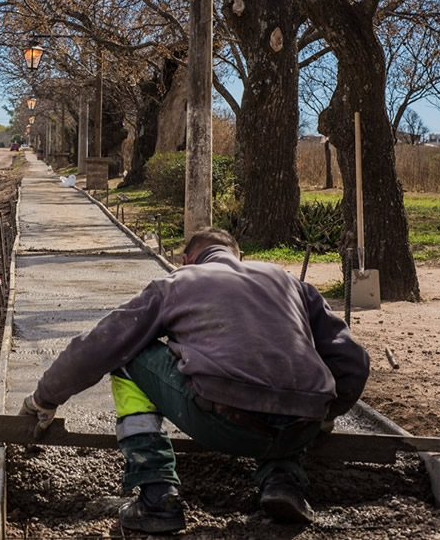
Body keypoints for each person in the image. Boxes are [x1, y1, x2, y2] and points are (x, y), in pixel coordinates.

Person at [19, 227, 370, 533]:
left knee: (128, 357)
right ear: (239, 256)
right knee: (274, 384)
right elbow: (352, 360)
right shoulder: (289, 282)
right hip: (301, 425)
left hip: (225, 420)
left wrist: (44, 398)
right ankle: (283, 481)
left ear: (186, 260)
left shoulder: (178, 282)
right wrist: (325, 414)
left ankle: (157, 495)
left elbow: (98, 345)